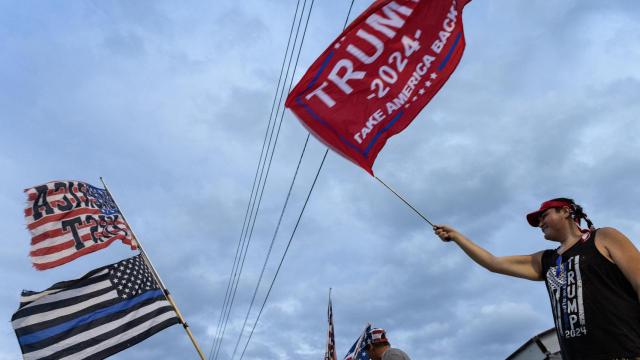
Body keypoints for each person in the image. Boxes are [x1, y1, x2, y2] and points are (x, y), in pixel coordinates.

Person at [433, 198, 640, 360]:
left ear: (566, 211)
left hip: (625, 351)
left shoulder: (604, 237)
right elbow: (493, 263)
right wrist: (457, 237)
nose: (540, 223)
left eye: (544, 215)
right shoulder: (547, 260)